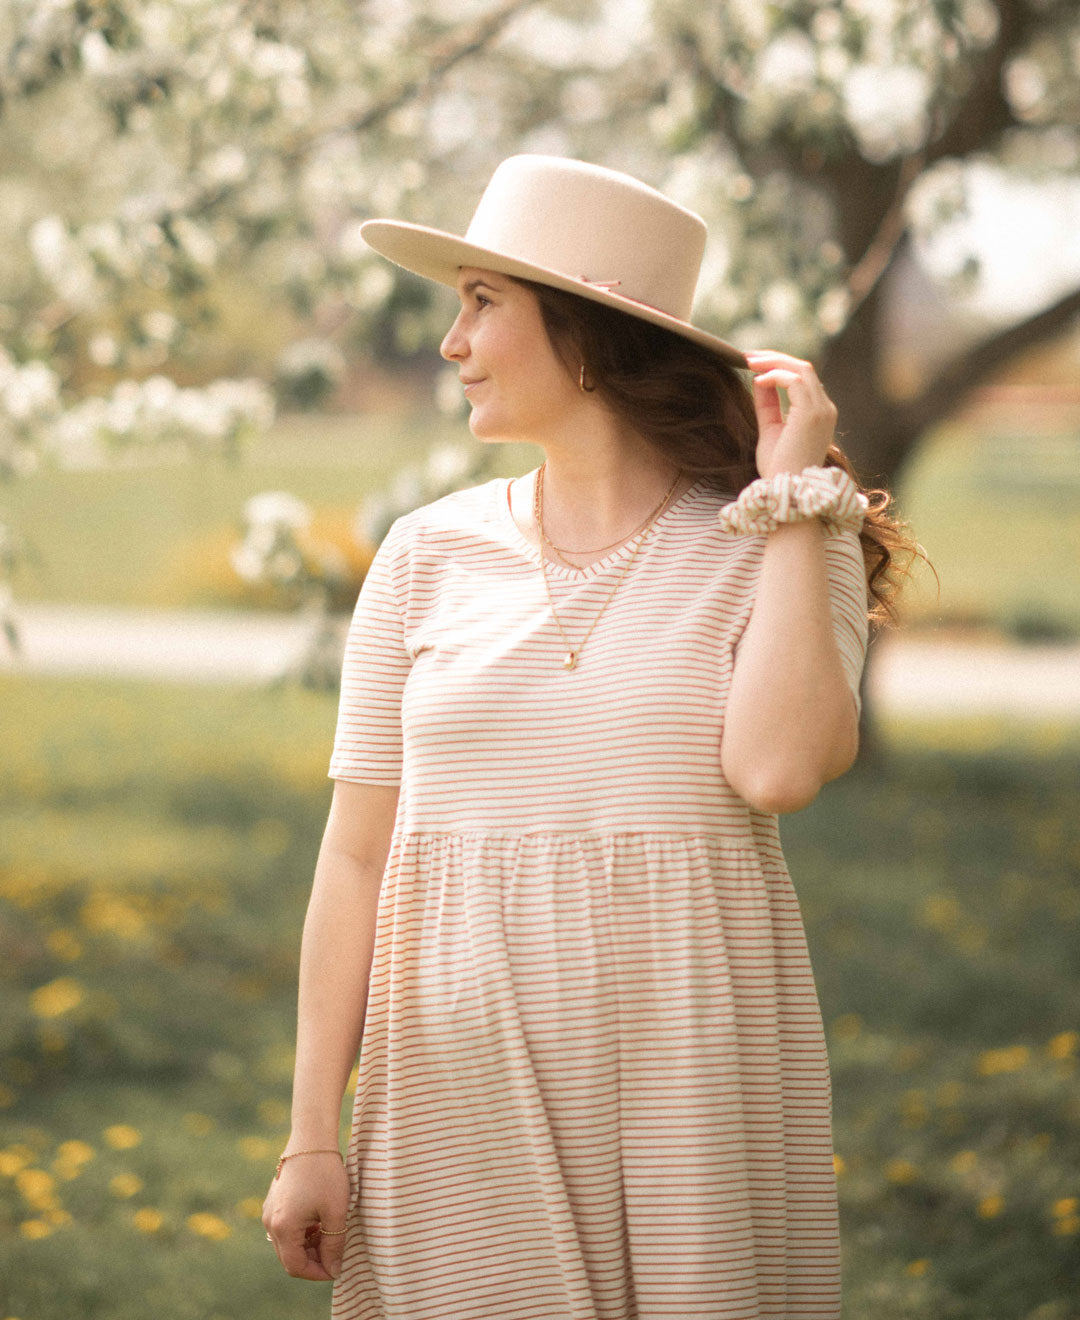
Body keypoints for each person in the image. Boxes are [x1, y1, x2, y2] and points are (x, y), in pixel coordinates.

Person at [262, 155, 917, 1319]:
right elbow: (356, 855)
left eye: (482, 303)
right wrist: (313, 1134)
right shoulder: (425, 555)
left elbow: (776, 769)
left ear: (589, 334)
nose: (451, 344)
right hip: (452, 1082)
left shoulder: (778, 534)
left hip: (684, 1074)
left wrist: (796, 498)